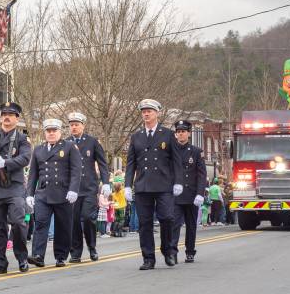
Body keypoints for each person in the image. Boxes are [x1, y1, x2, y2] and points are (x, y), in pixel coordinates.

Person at [124, 99, 184, 270]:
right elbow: (131, 163)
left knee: (167, 218)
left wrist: (178, 181)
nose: (146, 114)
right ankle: (148, 258)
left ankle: (168, 249)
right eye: (143, 111)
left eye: (149, 111)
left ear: (157, 113)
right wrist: (128, 184)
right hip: (143, 186)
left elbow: (176, 160)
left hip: (164, 185)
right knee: (145, 224)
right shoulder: (136, 136)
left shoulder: (167, 135)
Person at [0, 102, 31, 275]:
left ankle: (22, 258)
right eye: (4, 113)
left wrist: (7, 163)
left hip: (14, 187)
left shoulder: (22, 138)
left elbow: (26, 158)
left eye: (10, 114)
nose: (6, 117)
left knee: (18, 223)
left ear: (17, 118)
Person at [26, 119, 81, 268]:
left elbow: (76, 170)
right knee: (41, 224)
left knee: (63, 226)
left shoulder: (69, 146)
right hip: (43, 193)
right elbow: (33, 174)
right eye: (48, 131)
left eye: (54, 131)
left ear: (60, 132)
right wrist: (29, 194)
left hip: (63, 193)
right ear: (45, 132)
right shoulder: (38, 149)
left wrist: (73, 189)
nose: (51, 133)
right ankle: (38, 255)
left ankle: (61, 256)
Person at [65, 112, 110, 263]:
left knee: (88, 218)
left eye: (76, 124)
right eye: (71, 125)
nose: (74, 127)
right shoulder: (65, 143)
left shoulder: (92, 142)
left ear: (83, 125)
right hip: (72, 189)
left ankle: (92, 247)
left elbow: (102, 163)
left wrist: (106, 182)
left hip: (89, 187)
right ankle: (76, 252)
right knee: (74, 221)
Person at [169, 120, 207, 263]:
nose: (180, 134)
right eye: (178, 132)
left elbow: (201, 174)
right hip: (176, 194)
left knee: (191, 225)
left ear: (189, 133)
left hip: (192, 194)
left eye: (183, 131)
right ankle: (172, 252)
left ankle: (190, 251)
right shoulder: (171, 151)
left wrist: (200, 193)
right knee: (174, 224)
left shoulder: (196, 152)